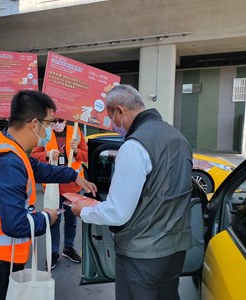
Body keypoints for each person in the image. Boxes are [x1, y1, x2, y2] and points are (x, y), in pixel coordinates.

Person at [0, 90, 97, 300]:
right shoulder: (7, 161)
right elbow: (15, 225)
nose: (50, 130)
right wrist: (47, 217)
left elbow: (37, 168)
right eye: (49, 123)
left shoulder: (9, 146)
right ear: (34, 124)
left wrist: (74, 175)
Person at [72, 84, 193, 300]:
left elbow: (118, 212)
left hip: (142, 253)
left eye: (111, 117)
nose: (113, 125)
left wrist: (84, 211)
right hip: (175, 249)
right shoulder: (178, 137)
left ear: (120, 111)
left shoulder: (134, 146)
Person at [31, 119, 88, 269]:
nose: (57, 123)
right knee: (53, 220)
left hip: (72, 187)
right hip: (52, 187)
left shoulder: (76, 131)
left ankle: (68, 248)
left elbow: (87, 155)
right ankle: (53, 252)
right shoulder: (45, 133)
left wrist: (76, 151)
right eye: (54, 120)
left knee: (71, 220)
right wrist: (47, 154)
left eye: (60, 120)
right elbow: (34, 156)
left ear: (66, 119)